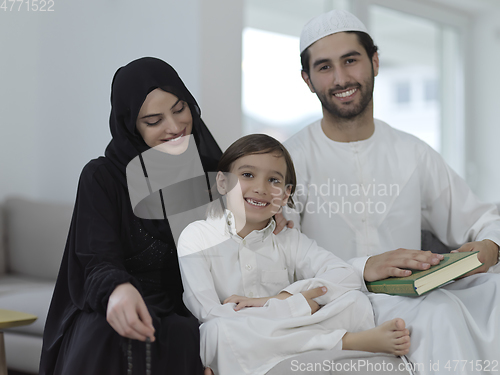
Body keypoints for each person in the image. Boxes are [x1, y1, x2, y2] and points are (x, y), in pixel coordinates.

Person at [283, 9, 500, 372]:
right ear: (307, 80)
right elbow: (279, 257)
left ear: (375, 62)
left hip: (415, 290)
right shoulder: (287, 161)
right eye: (324, 67)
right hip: (339, 300)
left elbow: (479, 217)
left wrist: (490, 246)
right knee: (438, 314)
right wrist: (363, 268)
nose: (340, 78)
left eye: (350, 60)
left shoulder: (411, 152)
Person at [39, 57, 223, 375]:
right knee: (107, 330)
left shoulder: (210, 174)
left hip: (187, 308)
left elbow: (238, 242)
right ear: (130, 126)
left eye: (180, 109)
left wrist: (271, 223)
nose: (175, 127)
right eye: (153, 121)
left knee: (184, 331)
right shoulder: (103, 177)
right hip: (117, 306)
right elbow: (96, 260)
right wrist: (118, 290)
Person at [177, 134, 411, 375]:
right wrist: (295, 307)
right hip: (243, 333)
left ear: (286, 194)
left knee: (355, 302)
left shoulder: (289, 239)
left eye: (274, 180)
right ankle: (346, 341)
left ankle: (290, 350)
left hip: (287, 329)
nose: (260, 188)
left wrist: (285, 297)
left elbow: (345, 275)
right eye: (248, 175)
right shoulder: (196, 237)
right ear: (223, 183)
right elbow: (208, 312)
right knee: (215, 332)